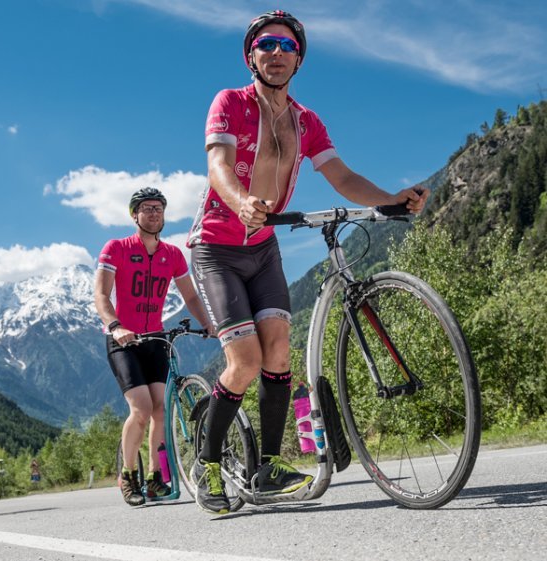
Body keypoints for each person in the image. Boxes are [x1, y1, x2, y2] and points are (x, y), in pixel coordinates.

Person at [186, 10, 429, 515]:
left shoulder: (306, 120)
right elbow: (218, 167)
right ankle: (206, 464)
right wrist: (240, 201)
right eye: (266, 44)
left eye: (287, 46)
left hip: (265, 247)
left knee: (278, 354)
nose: (276, 53)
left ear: (298, 58)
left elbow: (340, 176)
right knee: (246, 360)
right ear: (251, 55)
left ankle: (266, 466)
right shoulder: (230, 102)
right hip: (218, 248)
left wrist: (390, 200)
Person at [94, 187, 215, 507]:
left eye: (159, 208)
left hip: (156, 339)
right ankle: (128, 475)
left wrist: (208, 323)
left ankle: (154, 478)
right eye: (146, 208)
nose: (153, 213)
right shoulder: (116, 248)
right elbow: (102, 296)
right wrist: (116, 326)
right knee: (142, 409)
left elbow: (190, 297)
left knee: (160, 408)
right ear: (134, 215)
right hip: (124, 340)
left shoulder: (172, 254)